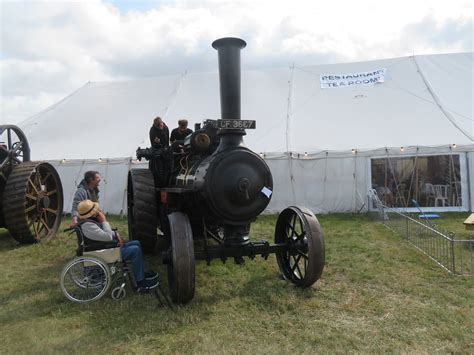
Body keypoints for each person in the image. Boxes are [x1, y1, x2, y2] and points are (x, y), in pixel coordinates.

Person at [77, 199, 158, 290]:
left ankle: (141, 273)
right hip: (102, 253)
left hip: (104, 248)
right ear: (92, 213)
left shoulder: (89, 222)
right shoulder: (88, 226)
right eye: (97, 210)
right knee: (135, 250)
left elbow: (104, 234)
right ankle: (141, 282)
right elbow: (107, 237)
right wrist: (104, 220)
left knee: (136, 243)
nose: (99, 212)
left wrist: (117, 236)